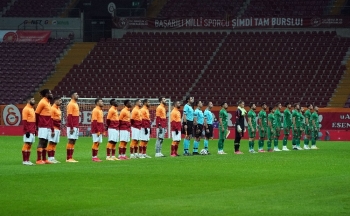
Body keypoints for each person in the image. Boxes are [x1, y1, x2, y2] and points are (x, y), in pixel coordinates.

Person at [35, 89, 53, 164]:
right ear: (46, 94)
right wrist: (36, 125)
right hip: (43, 125)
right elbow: (36, 114)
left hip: (47, 125)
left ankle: (44, 159)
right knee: (41, 141)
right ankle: (38, 159)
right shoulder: (42, 102)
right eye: (50, 93)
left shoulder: (48, 102)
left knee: (45, 142)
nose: (51, 94)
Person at [21, 97, 36, 165]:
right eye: (32, 99)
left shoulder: (32, 108)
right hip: (28, 130)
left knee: (30, 144)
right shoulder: (26, 109)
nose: (33, 101)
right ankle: (25, 161)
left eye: (34, 99)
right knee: (26, 144)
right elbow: (24, 121)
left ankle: (28, 160)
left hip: (32, 130)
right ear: (28, 100)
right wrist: (27, 131)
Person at [66, 91, 79, 162]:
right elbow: (69, 116)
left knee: (73, 141)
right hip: (72, 126)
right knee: (71, 140)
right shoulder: (71, 104)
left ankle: (71, 157)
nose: (77, 95)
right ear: (72, 96)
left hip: (76, 126)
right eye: (76, 94)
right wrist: (71, 127)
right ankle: (68, 158)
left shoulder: (75, 104)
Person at [47, 96, 62, 163]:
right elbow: (51, 120)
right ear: (55, 101)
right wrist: (52, 130)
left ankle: (52, 157)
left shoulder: (58, 108)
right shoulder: (52, 108)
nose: (60, 102)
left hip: (58, 128)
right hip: (53, 128)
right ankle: (49, 158)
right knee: (51, 142)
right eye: (59, 100)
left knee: (55, 143)